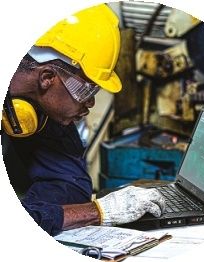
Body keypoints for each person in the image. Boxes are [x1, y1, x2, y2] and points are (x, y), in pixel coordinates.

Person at [1, 4, 165, 236]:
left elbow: (70, 185)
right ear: (47, 78)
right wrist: (96, 212)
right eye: (86, 91)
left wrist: (43, 215)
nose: (90, 104)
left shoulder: (45, 113)